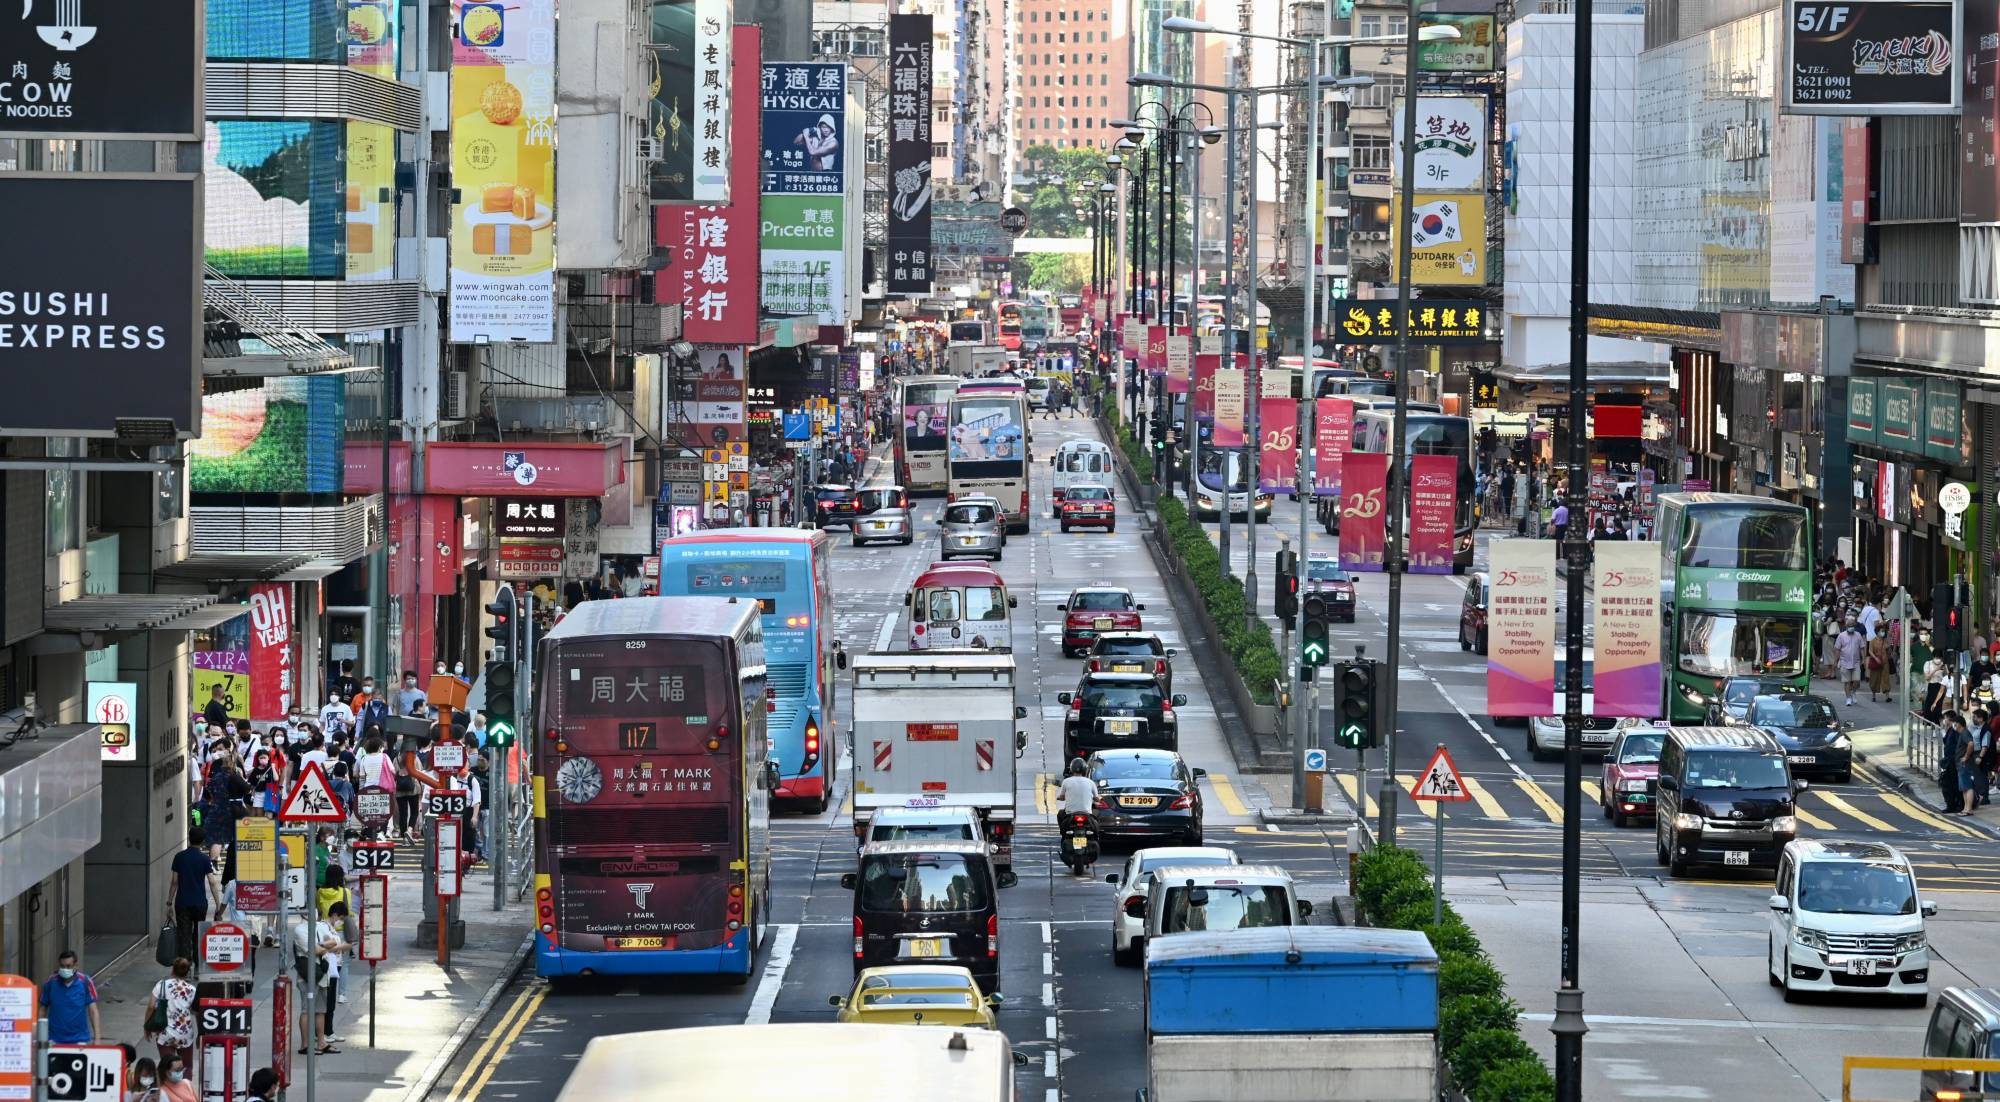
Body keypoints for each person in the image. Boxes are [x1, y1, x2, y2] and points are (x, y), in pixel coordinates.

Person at [167, 827, 220, 962]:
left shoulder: (179, 857)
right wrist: (218, 904)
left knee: (184, 936)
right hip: (200, 903)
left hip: (182, 903)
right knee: (198, 935)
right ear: (202, 842)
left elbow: (174, 882)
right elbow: (213, 883)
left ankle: (185, 968)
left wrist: (169, 902)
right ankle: (197, 968)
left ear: (189, 838)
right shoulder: (204, 859)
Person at [143, 957, 197, 1069]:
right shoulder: (192, 989)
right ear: (187, 972)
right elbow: (196, 1010)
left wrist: (146, 1026)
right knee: (186, 1067)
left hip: (165, 1032)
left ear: (172, 970)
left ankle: (168, 1085)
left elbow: (151, 1006)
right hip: (184, 1033)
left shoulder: (161, 985)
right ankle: (185, 1085)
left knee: (167, 1067)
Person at [40, 950, 99, 1044]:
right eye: (62, 966)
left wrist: (97, 1038)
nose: (65, 969)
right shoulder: (51, 982)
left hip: (80, 1040)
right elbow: (42, 1010)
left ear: (76, 966)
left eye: (68, 966)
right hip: (54, 1039)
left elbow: (93, 1010)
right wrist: (39, 1036)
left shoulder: (85, 981)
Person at [1835, 616, 1867, 707]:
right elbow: (1837, 649)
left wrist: (1864, 659)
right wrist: (1835, 661)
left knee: (1856, 680)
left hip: (1856, 662)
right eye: (1849, 625)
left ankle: (1853, 692)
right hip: (1844, 662)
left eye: (1852, 625)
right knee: (1847, 682)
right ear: (1846, 626)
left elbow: (1862, 648)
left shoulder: (1858, 635)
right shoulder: (1841, 636)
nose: (1851, 627)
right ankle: (1848, 698)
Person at [1866, 631, 1893, 702]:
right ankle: (1873, 696)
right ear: (1877, 632)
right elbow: (1870, 651)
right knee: (1874, 678)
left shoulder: (1885, 640)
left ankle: (1887, 696)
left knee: (1886, 678)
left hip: (1884, 662)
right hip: (1876, 661)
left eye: (1883, 631)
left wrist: (1889, 646)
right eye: (1881, 631)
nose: (1882, 632)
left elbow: (1889, 652)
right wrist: (1875, 658)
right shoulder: (1873, 641)